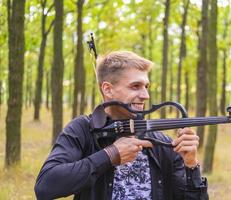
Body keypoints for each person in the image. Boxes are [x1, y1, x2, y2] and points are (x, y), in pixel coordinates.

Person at [35, 51, 208, 200]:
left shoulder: (161, 143)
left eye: (146, 86)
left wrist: (191, 166)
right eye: (135, 86)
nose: (146, 95)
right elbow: (45, 186)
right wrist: (110, 155)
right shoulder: (82, 130)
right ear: (108, 89)